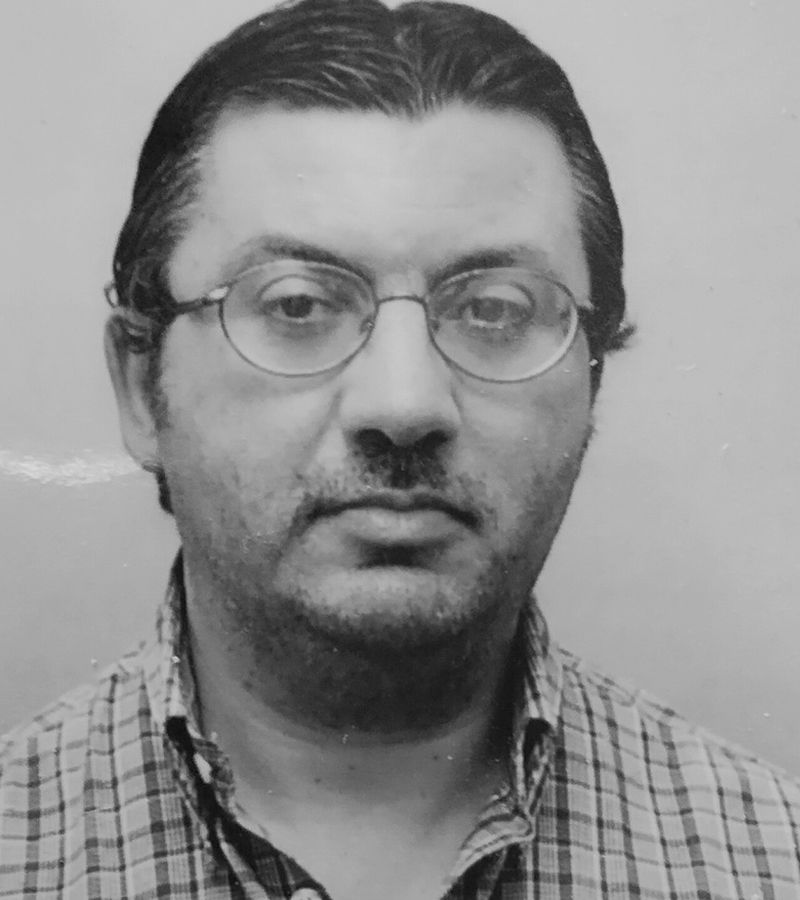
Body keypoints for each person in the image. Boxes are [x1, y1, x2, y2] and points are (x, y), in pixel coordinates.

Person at [1, 0, 798, 896]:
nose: (405, 402)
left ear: (593, 381)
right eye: (297, 304)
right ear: (140, 387)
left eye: (495, 309)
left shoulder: (772, 862)